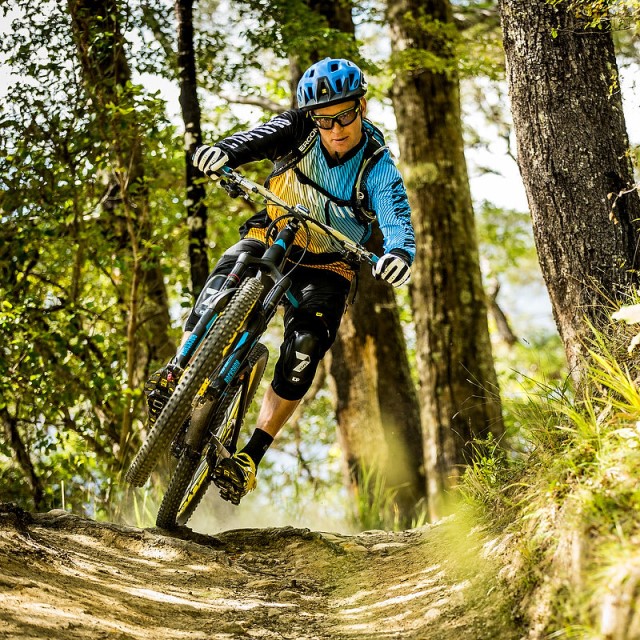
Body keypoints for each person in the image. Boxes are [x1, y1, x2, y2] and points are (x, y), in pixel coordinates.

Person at [146, 57, 416, 505]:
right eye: (324, 120)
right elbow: (253, 140)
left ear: (362, 107)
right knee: (220, 287)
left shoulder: (377, 163)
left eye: (344, 116)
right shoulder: (297, 128)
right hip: (272, 233)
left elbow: (395, 216)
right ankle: (176, 372)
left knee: (305, 347)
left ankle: (249, 458)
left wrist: (398, 254)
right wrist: (223, 153)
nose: (335, 129)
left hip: (329, 264)